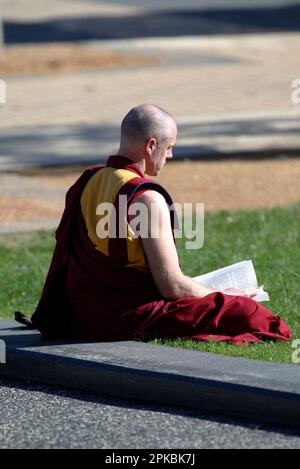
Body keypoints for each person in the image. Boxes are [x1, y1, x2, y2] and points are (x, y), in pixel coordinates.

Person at [27, 104, 291, 344]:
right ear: (151, 145)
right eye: (169, 147)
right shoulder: (146, 198)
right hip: (124, 317)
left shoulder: (88, 180)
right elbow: (172, 287)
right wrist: (228, 296)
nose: (172, 155)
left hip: (79, 313)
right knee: (252, 313)